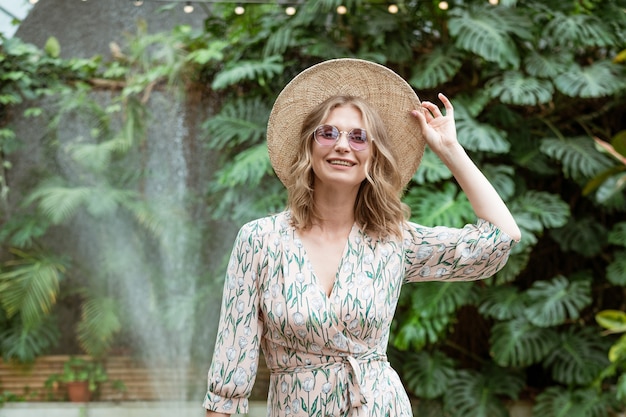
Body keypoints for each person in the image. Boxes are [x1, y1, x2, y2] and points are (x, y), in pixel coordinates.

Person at [203, 58, 521, 417]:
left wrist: (449, 149)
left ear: (373, 156)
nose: (342, 145)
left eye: (359, 137)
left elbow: (500, 238)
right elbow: (230, 375)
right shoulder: (260, 241)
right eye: (328, 133)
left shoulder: (393, 240)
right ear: (309, 147)